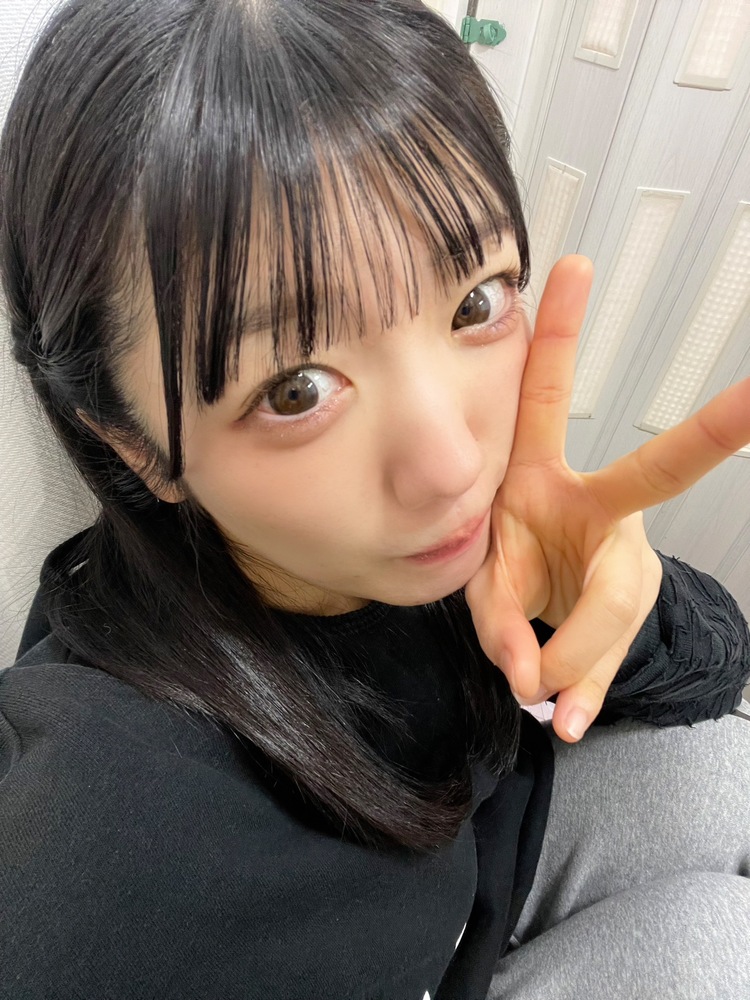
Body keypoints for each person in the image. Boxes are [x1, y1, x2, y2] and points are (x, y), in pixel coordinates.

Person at [0, 1, 748, 998]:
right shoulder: (115, 837)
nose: (452, 465)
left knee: (721, 776)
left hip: (484, 871)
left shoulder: (470, 538)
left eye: (475, 301)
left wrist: (629, 602)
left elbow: (713, 671)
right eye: (296, 389)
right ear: (134, 443)